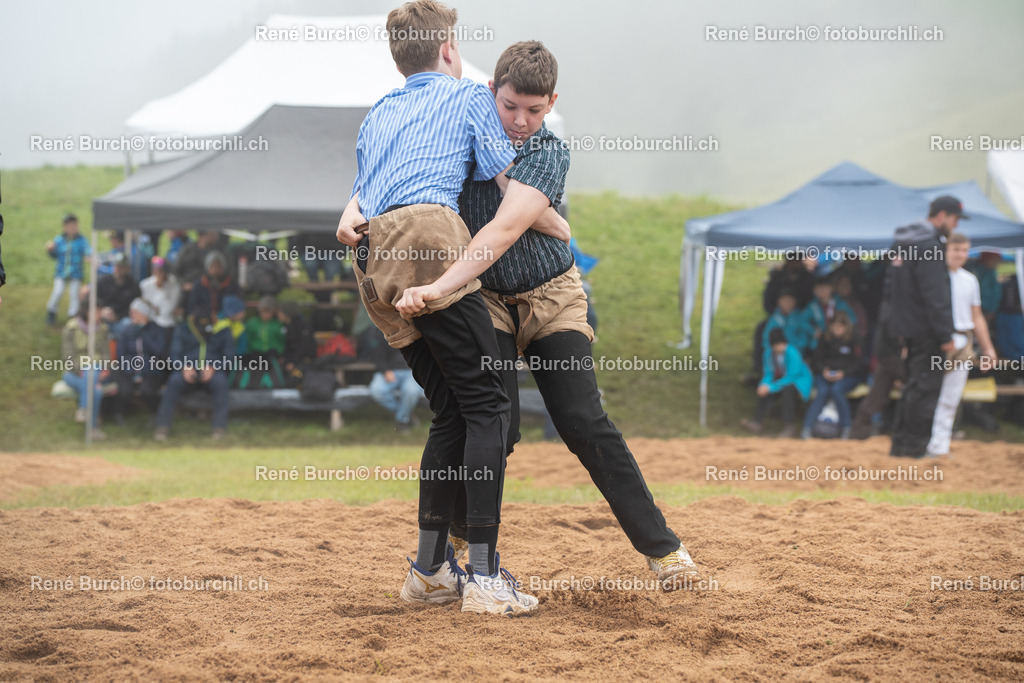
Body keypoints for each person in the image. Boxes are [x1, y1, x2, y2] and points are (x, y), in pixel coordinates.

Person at [420, 40, 698, 589]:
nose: (521, 120)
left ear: (552, 103)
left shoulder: (549, 151)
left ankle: (665, 552)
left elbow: (504, 228)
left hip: (552, 294)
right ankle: (462, 537)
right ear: (491, 92)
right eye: (509, 106)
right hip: (485, 298)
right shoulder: (457, 138)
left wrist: (441, 284)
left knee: (583, 421)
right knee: (497, 426)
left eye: (534, 108)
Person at [335, 0, 570, 615]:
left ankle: (430, 570)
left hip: (375, 259)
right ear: (449, 50)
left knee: (453, 410)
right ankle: (485, 577)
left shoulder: (379, 111)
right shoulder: (467, 97)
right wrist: (556, 223)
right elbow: (505, 180)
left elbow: (358, 202)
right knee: (491, 406)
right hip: (430, 239)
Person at [885, 195, 962, 458]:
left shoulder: (902, 242)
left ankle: (901, 446)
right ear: (942, 216)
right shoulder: (930, 245)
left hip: (906, 329)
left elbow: (891, 290)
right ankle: (915, 448)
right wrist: (945, 334)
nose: (956, 225)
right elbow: (935, 294)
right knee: (926, 389)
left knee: (912, 387)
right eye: (955, 219)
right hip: (927, 331)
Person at [926, 233, 997, 457]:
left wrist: (987, 348)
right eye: (956, 249)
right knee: (928, 394)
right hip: (935, 341)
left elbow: (976, 316)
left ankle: (940, 445)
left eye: (964, 250)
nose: (960, 255)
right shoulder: (932, 277)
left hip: (963, 341)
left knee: (951, 397)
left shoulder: (970, 280)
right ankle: (923, 442)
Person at [154, 306, 234, 441]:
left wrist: (214, 367)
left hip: (212, 370)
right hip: (187, 369)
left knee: (221, 382)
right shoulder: (182, 329)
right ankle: (163, 426)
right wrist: (183, 367)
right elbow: (174, 354)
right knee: (174, 381)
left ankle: (219, 427)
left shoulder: (223, 330)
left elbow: (229, 357)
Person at [741, 328, 813, 437]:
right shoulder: (768, 353)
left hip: (799, 383)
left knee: (787, 390)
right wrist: (763, 385)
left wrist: (771, 387)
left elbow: (791, 377)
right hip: (781, 381)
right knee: (764, 390)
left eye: (781, 344)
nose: (779, 347)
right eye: (776, 345)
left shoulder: (792, 353)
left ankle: (789, 426)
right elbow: (768, 373)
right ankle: (756, 422)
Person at [801, 312, 862, 439]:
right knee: (822, 392)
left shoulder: (854, 339)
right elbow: (817, 360)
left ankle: (846, 428)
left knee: (836, 390)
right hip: (825, 375)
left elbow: (859, 363)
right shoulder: (825, 338)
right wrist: (824, 370)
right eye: (834, 327)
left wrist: (844, 373)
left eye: (840, 327)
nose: (836, 330)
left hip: (848, 376)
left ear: (846, 327)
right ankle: (807, 428)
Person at [112, 299, 168, 425]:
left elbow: (159, 351)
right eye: (132, 312)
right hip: (129, 370)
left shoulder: (157, 330)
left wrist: (144, 332)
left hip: (151, 371)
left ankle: (154, 413)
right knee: (124, 390)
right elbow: (121, 353)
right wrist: (131, 369)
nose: (133, 315)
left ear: (145, 314)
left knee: (147, 390)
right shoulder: (127, 330)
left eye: (136, 312)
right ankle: (119, 414)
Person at [61, 295, 110, 439]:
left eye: (100, 311)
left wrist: (105, 369)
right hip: (73, 373)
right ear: (86, 312)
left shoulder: (103, 329)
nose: (99, 314)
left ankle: (84, 411)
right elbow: (67, 355)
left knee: (96, 386)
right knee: (93, 380)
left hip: (97, 371)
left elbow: (106, 353)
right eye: (96, 311)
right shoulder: (71, 328)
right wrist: (80, 370)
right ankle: (92, 426)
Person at [360, 324, 424, 431]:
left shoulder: (418, 325)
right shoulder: (382, 328)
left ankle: (402, 419)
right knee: (376, 390)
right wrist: (385, 371)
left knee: (411, 391)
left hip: (412, 371)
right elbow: (377, 354)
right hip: (390, 371)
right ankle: (405, 415)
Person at [45, 214, 91, 326]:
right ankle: (51, 311)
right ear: (65, 227)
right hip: (61, 273)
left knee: (74, 294)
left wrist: (89, 256)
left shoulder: (82, 240)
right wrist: (50, 249)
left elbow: (87, 250)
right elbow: (54, 255)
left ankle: (72, 316)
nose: (73, 228)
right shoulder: (59, 240)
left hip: (76, 274)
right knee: (58, 291)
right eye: (70, 225)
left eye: (75, 225)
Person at [800, 276, 857, 351]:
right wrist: (813, 331)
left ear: (832, 288)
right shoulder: (812, 306)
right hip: (820, 341)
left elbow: (852, 319)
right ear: (814, 291)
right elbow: (802, 320)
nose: (823, 291)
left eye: (825, 288)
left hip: (839, 339)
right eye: (819, 288)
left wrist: (842, 329)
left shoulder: (840, 303)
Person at [96, 253, 141, 334]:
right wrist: (102, 311)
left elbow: (135, 308)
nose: (118, 269)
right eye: (116, 266)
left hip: (121, 320)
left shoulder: (133, 286)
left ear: (127, 268)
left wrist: (117, 316)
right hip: (103, 318)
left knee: (127, 325)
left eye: (121, 267)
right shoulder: (103, 282)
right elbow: (94, 300)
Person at [186, 250, 239, 317]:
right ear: (207, 268)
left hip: (226, 319)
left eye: (219, 267)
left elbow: (236, 307)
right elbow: (193, 306)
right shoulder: (199, 284)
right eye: (212, 267)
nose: (215, 270)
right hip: (204, 318)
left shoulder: (231, 285)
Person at [139, 256, 182, 337]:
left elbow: (166, 311)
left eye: (160, 270)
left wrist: (160, 288)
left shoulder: (174, 285)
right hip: (149, 322)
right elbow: (144, 309)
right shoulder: (145, 285)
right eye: (155, 269)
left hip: (167, 323)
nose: (157, 272)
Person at [761, 251, 815, 315]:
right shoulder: (777, 278)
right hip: (779, 314)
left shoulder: (807, 278)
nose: (795, 264)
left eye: (798, 261)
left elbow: (810, 299)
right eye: (792, 261)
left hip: (802, 314)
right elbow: (769, 300)